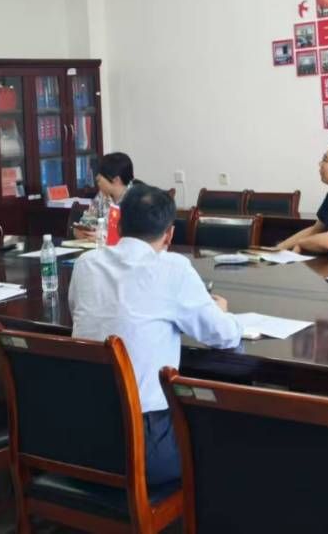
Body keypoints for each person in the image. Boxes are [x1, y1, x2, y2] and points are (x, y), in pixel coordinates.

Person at [69, 185, 241, 485]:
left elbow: (79, 313)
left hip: (80, 435)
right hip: (144, 445)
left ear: (118, 224)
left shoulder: (86, 264)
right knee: (225, 432)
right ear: (169, 234)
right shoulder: (173, 269)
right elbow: (223, 336)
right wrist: (223, 313)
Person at [74, 151, 136, 239]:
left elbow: (136, 237)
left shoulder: (136, 199)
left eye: (101, 175)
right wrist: (81, 231)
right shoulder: (102, 195)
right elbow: (86, 222)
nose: (97, 178)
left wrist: (104, 236)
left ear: (116, 180)